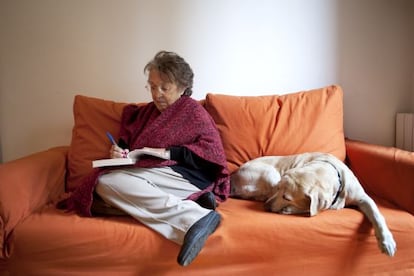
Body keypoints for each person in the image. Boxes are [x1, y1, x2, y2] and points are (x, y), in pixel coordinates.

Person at [60, 50, 230, 266]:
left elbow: (210, 153)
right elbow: (129, 141)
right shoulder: (146, 113)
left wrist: (167, 153)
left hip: (187, 175)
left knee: (105, 182)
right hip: (154, 174)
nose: (156, 93)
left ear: (182, 86)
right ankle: (196, 204)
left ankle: (194, 218)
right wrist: (120, 151)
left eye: (164, 87)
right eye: (151, 86)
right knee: (106, 183)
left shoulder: (192, 110)